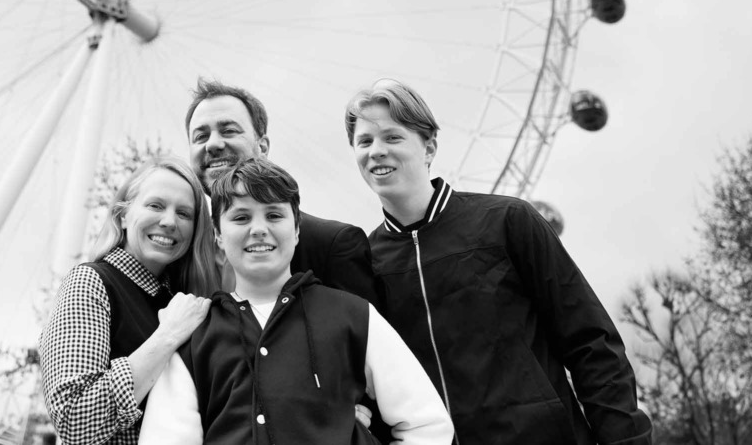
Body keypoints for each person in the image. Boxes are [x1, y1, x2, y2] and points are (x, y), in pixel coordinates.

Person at [346, 78, 653, 445]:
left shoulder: (508, 222)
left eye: (392, 137)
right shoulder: (363, 263)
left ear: (429, 147)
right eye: (364, 141)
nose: (376, 151)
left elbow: (591, 343)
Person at [138, 158, 453, 445]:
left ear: (297, 229)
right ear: (218, 235)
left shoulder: (352, 315)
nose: (259, 229)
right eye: (241, 217)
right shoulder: (196, 338)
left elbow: (427, 424)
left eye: (274, 215)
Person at [39, 157, 222, 445]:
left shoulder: (181, 302)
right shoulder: (91, 283)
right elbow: (74, 418)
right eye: (155, 205)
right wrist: (167, 336)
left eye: (184, 214)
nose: (169, 221)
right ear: (122, 215)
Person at [185, 78, 375, 302]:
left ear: (263, 147)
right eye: (201, 136)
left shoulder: (334, 246)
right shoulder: (184, 251)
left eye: (228, 131)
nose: (213, 144)